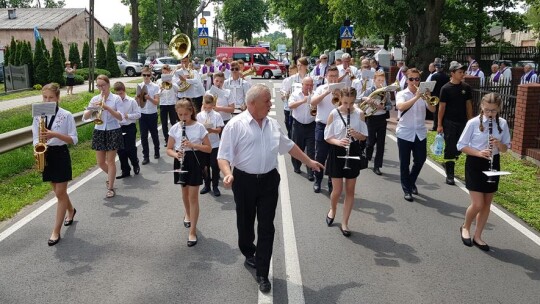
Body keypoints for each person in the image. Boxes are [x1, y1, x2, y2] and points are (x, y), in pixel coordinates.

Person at [217, 84, 324, 293]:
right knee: (245, 223)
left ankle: (263, 273)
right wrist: (227, 173)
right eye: (267, 101)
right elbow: (223, 155)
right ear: (251, 104)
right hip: (244, 181)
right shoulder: (235, 125)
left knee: (267, 226)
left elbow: (289, 145)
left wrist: (309, 161)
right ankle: (249, 252)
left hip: (268, 181)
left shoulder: (273, 125)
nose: (270, 104)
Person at [457, 93, 510, 251]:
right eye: (487, 110)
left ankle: (478, 235)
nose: (490, 113)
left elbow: (506, 149)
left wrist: (499, 144)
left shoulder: (502, 123)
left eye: (493, 111)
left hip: (493, 163)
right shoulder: (473, 123)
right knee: (478, 203)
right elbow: (461, 145)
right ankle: (465, 227)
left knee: (487, 203)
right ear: (481, 107)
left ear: (499, 109)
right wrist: (478, 153)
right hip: (475, 162)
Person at [32, 83, 78, 246]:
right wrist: (37, 148)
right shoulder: (39, 113)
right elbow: (35, 135)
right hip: (46, 154)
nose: (47, 100)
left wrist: (55, 134)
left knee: (60, 192)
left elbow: (74, 139)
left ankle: (56, 231)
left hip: (60, 154)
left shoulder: (66, 115)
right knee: (59, 192)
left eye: (51, 97)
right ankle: (71, 210)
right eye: (45, 97)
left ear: (58, 98)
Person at [166, 98, 212, 247]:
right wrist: (176, 154)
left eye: (186, 114)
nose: (183, 117)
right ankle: (187, 213)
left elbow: (209, 148)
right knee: (184, 193)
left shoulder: (199, 127)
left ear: (191, 112)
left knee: (193, 197)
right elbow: (168, 149)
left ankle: (192, 231)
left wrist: (192, 144)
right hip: (181, 160)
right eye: (180, 115)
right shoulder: (175, 128)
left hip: (195, 160)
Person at [324, 87, 368, 236]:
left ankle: (345, 223)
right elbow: (327, 136)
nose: (348, 106)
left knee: (350, 190)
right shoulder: (334, 113)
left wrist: (357, 134)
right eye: (344, 102)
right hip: (337, 151)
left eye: (351, 103)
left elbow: (364, 137)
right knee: (337, 190)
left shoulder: (359, 114)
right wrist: (338, 142)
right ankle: (333, 208)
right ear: (340, 99)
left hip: (353, 151)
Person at [395, 68, 436, 202]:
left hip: (420, 132)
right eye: (411, 79)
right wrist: (417, 97)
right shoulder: (402, 94)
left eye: (417, 79)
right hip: (405, 133)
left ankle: (411, 182)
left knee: (420, 159)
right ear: (407, 80)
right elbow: (400, 107)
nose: (414, 81)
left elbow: (433, 108)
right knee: (404, 163)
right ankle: (406, 189)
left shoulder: (423, 94)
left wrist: (428, 97)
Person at [83, 75, 123, 198]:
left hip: (113, 130)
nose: (101, 88)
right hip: (99, 130)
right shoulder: (95, 98)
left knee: (110, 161)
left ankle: (110, 187)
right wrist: (92, 109)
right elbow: (85, 117)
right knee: (100, 162)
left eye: (103, 85)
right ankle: (111, 177)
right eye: (98, 86)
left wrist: (106, 107)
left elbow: (120, 117)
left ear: (108, 85)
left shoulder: (116, 99)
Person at [437, 62, 473, 185]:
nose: (462, 74)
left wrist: (471, 122)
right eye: (459, 72)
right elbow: (442, 107)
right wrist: (439, 124)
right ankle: (450, 174)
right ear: (452, 73)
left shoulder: (466, 88)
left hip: (463, 121)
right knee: (450, 147)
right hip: (449, 122)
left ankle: (447, 163)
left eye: (463, 72)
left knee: (460, 147)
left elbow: (468, 105)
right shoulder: (445, 88)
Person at [310, 66, 340, 193]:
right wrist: (326, 92)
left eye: (335, 76)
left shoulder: (342, 89)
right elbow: (313, 102)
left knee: (334, 157)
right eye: (331, 76)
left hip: (337, 127)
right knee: (320, 155)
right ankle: (318, 180)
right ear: (326, 76)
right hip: (322, 126)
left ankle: (331, 182)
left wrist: (339, 94)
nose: (333, 78)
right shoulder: (320, 88)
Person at [361, 71, 392, 175]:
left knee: (381, 144)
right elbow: (361, 99)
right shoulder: (370, 90)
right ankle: (367, 156)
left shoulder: (386, 92)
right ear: (374, 80)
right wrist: (368, 99)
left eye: (382, 80)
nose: (380, 82)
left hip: (382, 119)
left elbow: (390, 106)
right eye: (379, 80)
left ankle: (377, 166)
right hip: (371, 118)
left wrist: (384, 107)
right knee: (370, 142)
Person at [288, 76, 316, 180]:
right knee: (297, 147)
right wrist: (303, 101)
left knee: (311, 150)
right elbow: (290, 105)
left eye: (310, 85)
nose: (308, 87)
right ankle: (296, 166)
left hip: (311, 125)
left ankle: (310, 172)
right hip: (298, 124)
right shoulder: (296, 94)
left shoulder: (315, 94)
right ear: (302, 85)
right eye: (306, 85)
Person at [197, 95, 224, 196]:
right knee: (204, 166)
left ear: (213, 105)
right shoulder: (199, 116)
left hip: (214, 144)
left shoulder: (217, 115)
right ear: (203, 105)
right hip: (203, 145)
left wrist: (211, 130)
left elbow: (219, 130)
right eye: (205, 107)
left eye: (210, 107)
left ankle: (215, 186)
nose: (207, 109)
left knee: (214, 165)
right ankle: (207, 185)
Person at [114, 81, 141, 179]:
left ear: (124, 91)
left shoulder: (131, 101)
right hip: (118, 127)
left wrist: (127, 115)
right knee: (121, 150)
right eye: (117, 94)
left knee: (130, 148)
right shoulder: (114, 102)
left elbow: (138, 114)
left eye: (120, 93)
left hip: (129, 126)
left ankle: (135, 163)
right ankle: (125, 170)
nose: (119, 96)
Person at [138, 67, 161, 165]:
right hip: (142, 114)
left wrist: (149, 98)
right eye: (144, 75)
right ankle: (146, 156)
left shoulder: (155, 87)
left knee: (154, 134)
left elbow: (156, 102)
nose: (146, 77)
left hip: (152, 114)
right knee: (143, 136)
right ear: (142, 75)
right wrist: (137, 99)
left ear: (151, 75)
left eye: (148, 75)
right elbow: (139, 102)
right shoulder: (139, 85)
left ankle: (157, 151)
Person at [156, 65, 179, 147]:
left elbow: (178, 89)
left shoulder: (173, 80)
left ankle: (176, 139)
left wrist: (171, 83)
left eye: (166, 73)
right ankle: (167, 140)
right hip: (163, 104)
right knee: (164, 123)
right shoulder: (159, 81)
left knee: (173, 122)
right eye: (163, 73)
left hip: (172, 104)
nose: (164, 74)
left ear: (169, 72)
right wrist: (160, 89)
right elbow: (157, 94)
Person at [429, 62, 450, 131]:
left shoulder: (434, 76)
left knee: (435, 112)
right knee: (443, 111)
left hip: (435, 95)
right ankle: (443, 124)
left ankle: (435, 126)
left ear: (437, 68)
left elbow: (431, 86)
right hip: (444, 96)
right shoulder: (447, 76)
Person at [280, 64, 298, 138]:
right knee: (287, 123)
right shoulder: (286, 81)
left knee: (294, 125)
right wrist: (285, 95)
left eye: (292, 71)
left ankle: (293, 139)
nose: (290, 73)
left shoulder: (298, 80)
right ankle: (290, 136)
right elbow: (282, 93)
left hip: (296, 106)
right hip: (287, 107)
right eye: (289, 71)